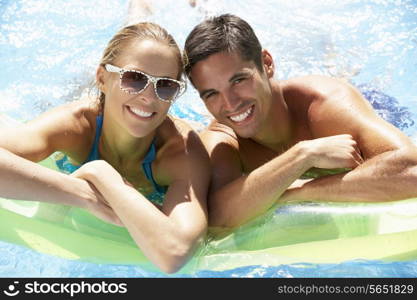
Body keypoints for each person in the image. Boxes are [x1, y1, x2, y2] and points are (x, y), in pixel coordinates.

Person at [0, 22, 210, 273]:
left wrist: (100, 173)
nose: (149, 96)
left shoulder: (181, 152)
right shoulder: (75, 127)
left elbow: (175, 254)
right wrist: (80, 193)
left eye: (165, 85)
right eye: (134, 78)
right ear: (102, 78)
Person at [183, 14, 417, 229]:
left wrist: (298, 190)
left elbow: (412, 171)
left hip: (378, 106)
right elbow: (214, 218)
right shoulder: (222, 139)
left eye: (239, 80)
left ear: (267, 63)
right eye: (211, 94)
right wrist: (303, 156)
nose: (230, 103)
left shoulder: (324, 105)